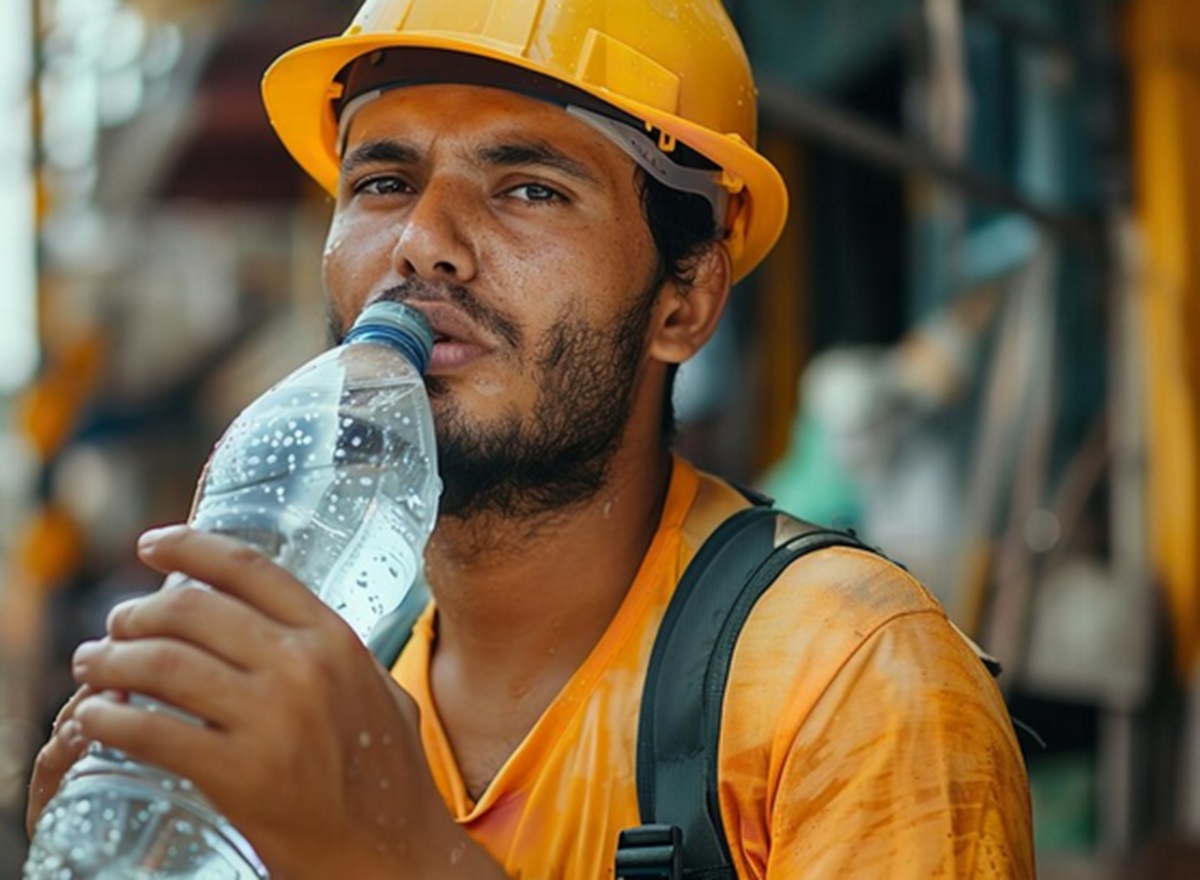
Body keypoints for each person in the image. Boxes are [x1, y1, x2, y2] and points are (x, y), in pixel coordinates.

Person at [26, 0, 1034, 876]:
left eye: (529, 188)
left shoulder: (850, 679)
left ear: (684, 299)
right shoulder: (331, 708)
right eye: (382, 182)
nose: (424, 240)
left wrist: (396, 860)